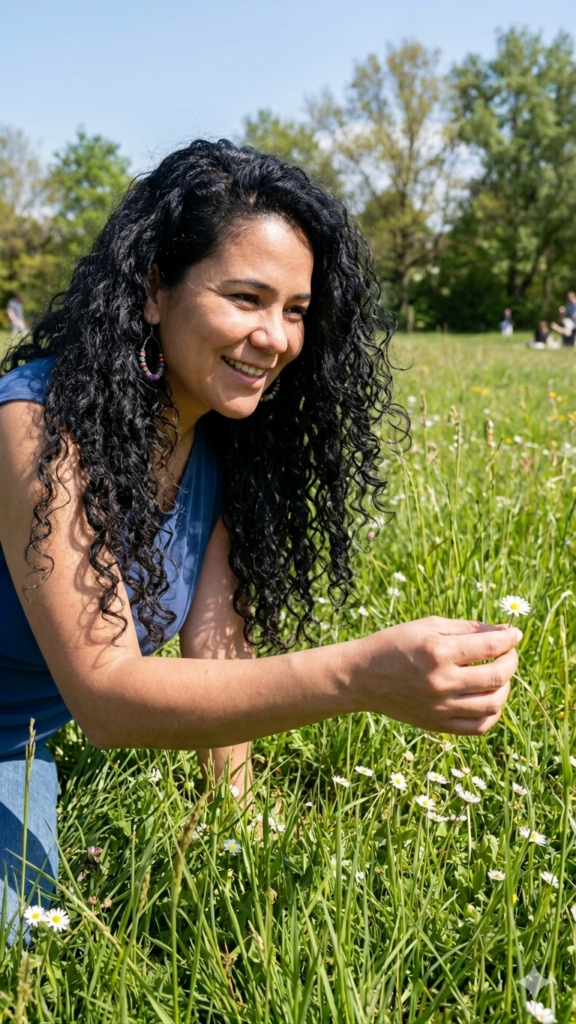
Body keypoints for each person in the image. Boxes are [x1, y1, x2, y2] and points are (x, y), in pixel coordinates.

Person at [0, 140, 520, 939]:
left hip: (18, 747)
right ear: (152, 292)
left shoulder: (229, 444)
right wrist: (360, 676)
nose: (275, 337)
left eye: (296, 310)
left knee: (23, 923)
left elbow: (219, 651)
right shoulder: (37, 427)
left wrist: (237, 830)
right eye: (246, 297)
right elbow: (105, 698)